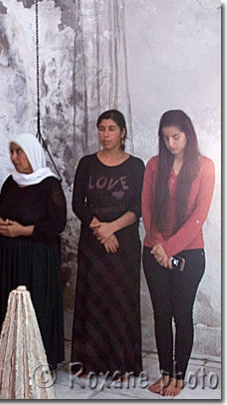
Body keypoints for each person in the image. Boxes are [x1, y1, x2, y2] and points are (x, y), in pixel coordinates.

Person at [142, 110, 215, 397]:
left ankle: (180, 377)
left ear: (188, 135)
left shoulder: (205, 167)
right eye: (166, 138)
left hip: (190, 255)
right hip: (154, 252)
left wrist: (169, 249)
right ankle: (164, 374)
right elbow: (146, 208)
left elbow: (200, 215)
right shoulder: (154, 165)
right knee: (161, 315)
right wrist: (158, 245)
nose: (171, 143)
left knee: (181, 315)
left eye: (176, 137)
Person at [70, 110, 145, 380]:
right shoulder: (87, 163)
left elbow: (138, 207)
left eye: (112, 128)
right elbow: (78, 203)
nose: (105, 134)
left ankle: (121, 365)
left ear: (123, 132)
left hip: (124, 243)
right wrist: (100, 230)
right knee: (92, 300)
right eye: (101, 128)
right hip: (93, 242)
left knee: (119, 302)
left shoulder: (136, 166)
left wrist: (112, 228)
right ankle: (88, 363)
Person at [0, 133, 66, 370]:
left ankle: (38, 360)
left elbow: (57, 224)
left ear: (31, 153)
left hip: (38, 258)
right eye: (12, 152)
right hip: (9, 257)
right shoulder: (10, 182)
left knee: (36, 307)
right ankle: (8, 358)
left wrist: (23, 230)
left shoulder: (50, 184)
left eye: (19, 151)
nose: (14, 157)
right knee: (8, 307)